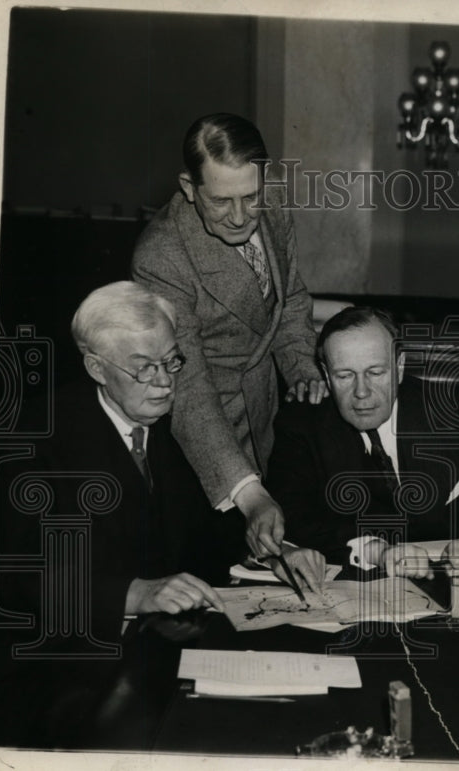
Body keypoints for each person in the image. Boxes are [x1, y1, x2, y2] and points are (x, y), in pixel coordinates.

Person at [0, 281, 245, 747]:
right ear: (96, 367)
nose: (165, 382)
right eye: (145, 368)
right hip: (54, 664)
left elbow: (194, 533)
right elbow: (20, 577)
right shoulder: (35, 439)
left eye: (171, 361)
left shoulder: (153, 422)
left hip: (146, 646)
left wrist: (272, 547)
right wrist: (136, 593)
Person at [132, 113, 324, 560]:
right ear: (188, 187)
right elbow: (190, 387)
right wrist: (249, 494)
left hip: (267, 420)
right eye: (220, 202)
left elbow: (289, 296)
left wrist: (301, 368)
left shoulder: (268, 206)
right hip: (201, 449)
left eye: (250, 197)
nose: (241, 217)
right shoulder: (161, 257)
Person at [267, 306, 459, 581]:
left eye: (375, 372)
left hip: (452, 593)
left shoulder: (447, 410)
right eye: (345, 376)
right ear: (325, 374)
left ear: (400, 366)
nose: (361, 392)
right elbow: (289, 522)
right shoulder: (302, 424)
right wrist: (374, 551)